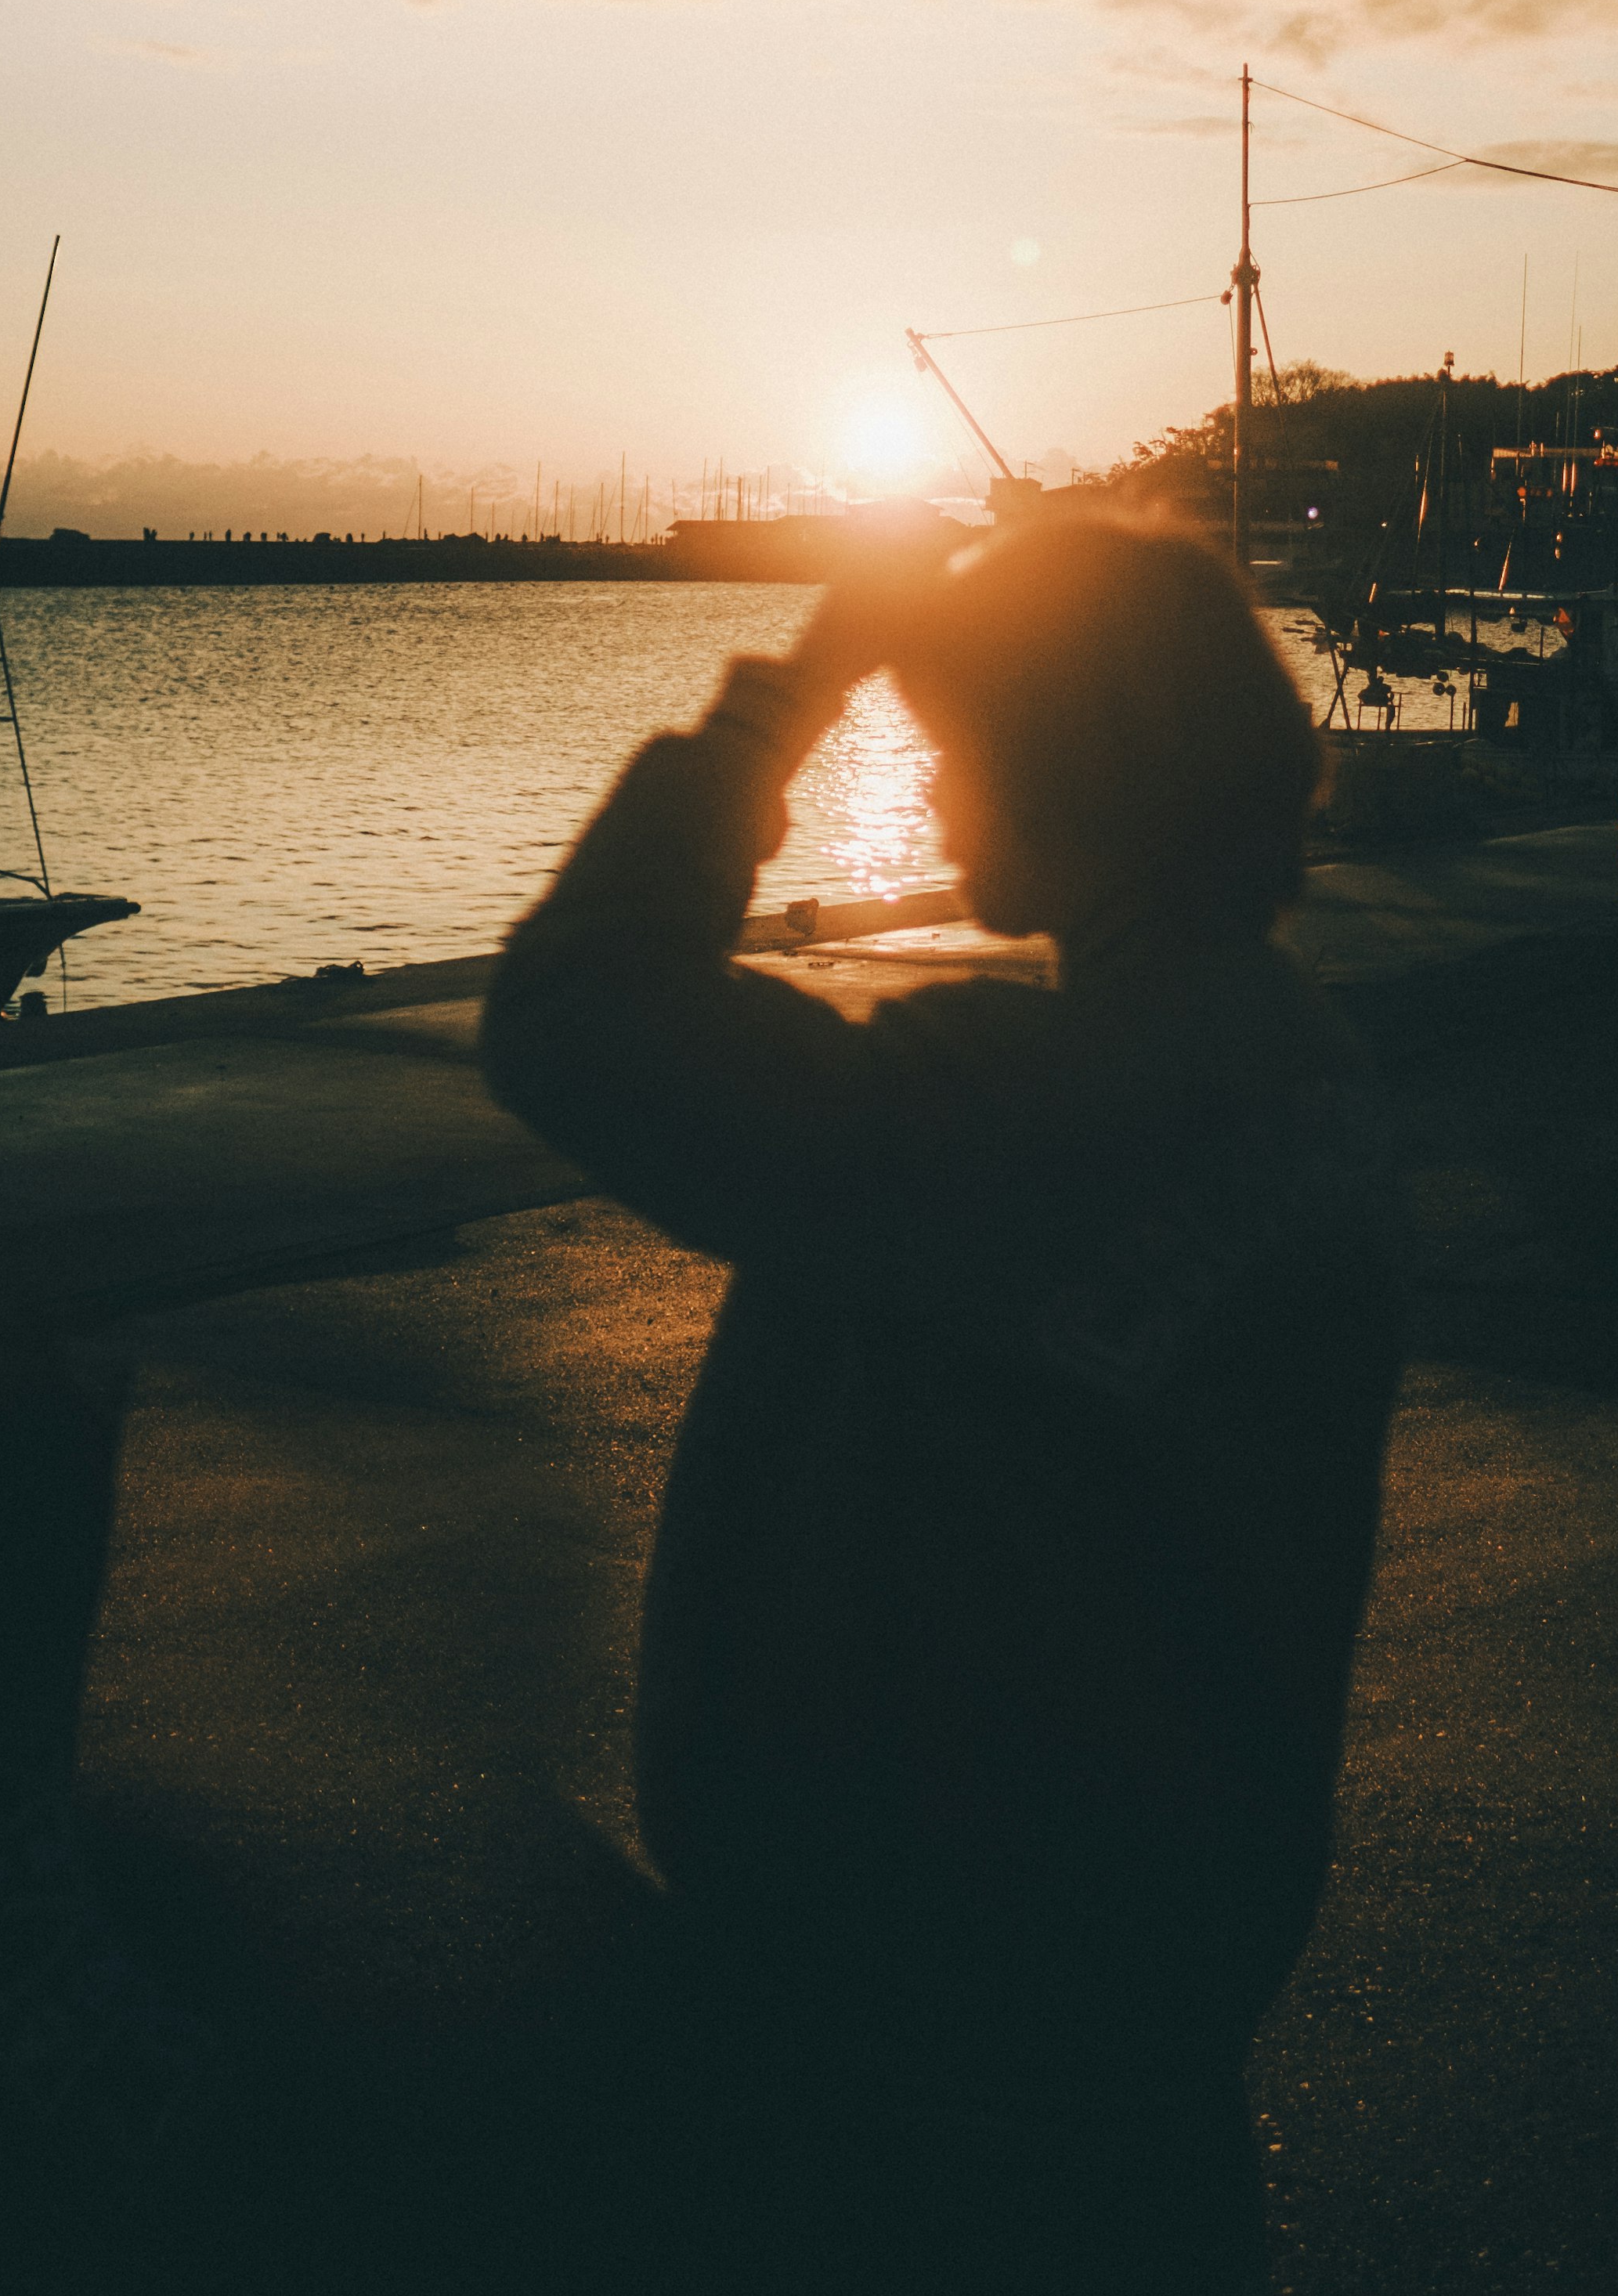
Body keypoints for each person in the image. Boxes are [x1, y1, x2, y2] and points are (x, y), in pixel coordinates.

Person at [482, 511, 1405, 2293]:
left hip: (926, 2051)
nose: (932, 769)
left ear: (1062, 766)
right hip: (1150, 2007)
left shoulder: (1011, 1118)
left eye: (955, 735)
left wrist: (788, 700)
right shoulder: (1314, 1075)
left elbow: (572, 1018)